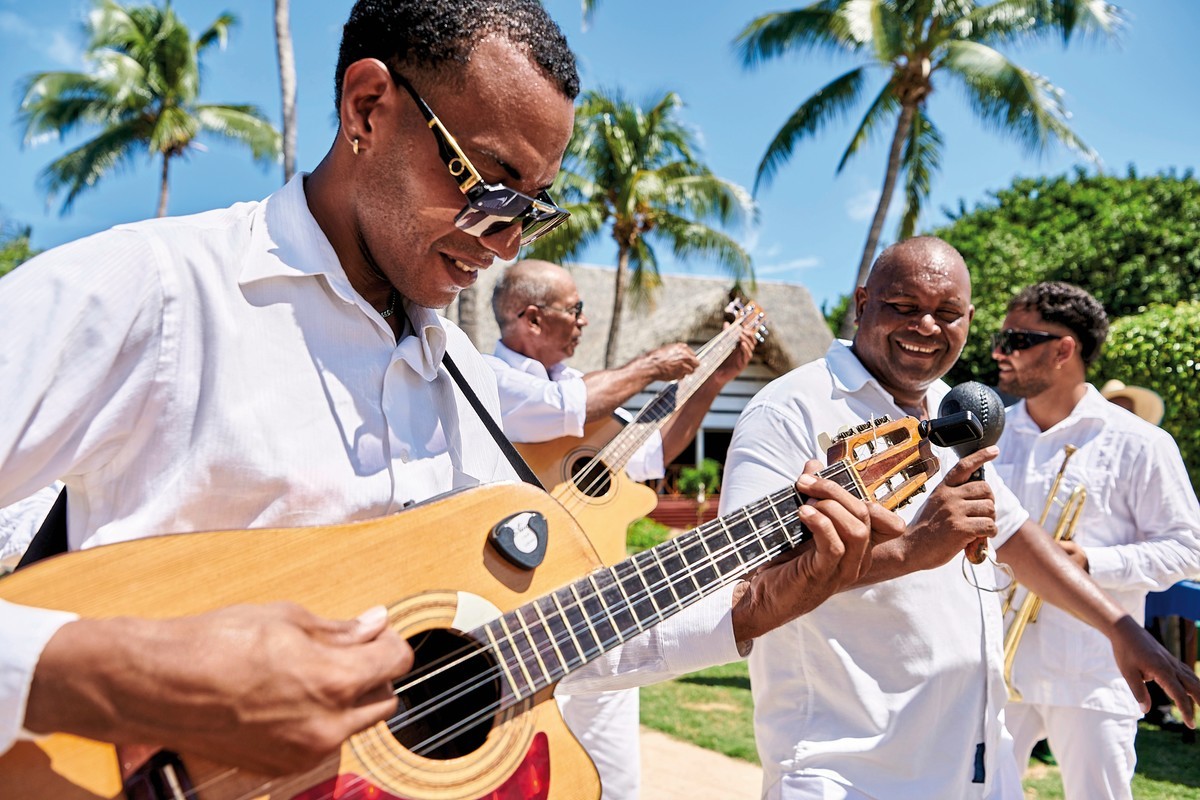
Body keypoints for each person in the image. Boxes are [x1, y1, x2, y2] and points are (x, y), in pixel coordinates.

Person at [0, 0, 889, 785]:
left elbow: (516, 643)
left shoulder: (461, 386)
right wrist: (115, 673)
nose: (504, 241)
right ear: (367, 108)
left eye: (533, 208)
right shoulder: (149, 292)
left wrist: (760, 604)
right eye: (487, 185)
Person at [719, 236, 1200, 800]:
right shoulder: (791, 409)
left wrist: (1120, 630)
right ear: (862, 302)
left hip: (976, 766)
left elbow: (1016, 537)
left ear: (968, 320)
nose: (926, 326)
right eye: (904, 306)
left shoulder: (950, 406)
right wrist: (911, 549)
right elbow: (742, 583)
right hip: (847, 768)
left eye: (947, 314)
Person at [485, 258, 757, 800]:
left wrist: (715, 379)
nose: (584, 321)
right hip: (513, 608)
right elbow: (560, 409)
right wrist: (650, 366)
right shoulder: (489, 381)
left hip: (592, 604)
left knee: (616, 783)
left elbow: (654, 450)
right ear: (532, 319)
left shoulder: (583, 391)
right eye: (576, 310)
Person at [991, 282, 1200, 799]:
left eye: (1017, 339)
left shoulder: (1141, 442)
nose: (999, 351)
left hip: (1091, 668)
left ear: (1065, 349)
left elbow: (1188, 548)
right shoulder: (989, 436)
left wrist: (1095, 562)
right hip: (993, 665)